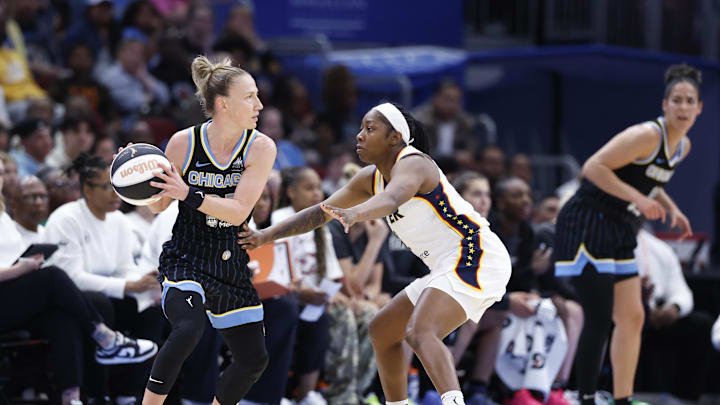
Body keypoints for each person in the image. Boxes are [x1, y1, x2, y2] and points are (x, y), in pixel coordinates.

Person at [239, 102, 512, 405]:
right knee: (382, 330)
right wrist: (265, 236)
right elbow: (319, 212)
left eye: (370, 129)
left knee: (421, 333)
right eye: (361, 128)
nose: (359, 136)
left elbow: (393, 198)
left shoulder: (415, 163)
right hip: (448, 263)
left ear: (395, 138)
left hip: (475, 253)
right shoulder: (370, 177)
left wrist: (356, 213)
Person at [553, 64, 701, 405]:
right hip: (588, 220)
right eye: (676, 100)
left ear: (698, 108)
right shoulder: (647, 135)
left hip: (620, 225)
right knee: (600, 317)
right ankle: (585, 398)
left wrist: (672, 207)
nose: (682, 107)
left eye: (689, 101)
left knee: (633, 317)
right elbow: (592, 168)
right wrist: (636, 198)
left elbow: (649, 181)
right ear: (664, 105)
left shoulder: (683, 146)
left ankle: (622, 399)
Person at [139, 55, 275, 405]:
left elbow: (238, 211)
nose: (259, 105)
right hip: (187, 254)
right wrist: (137, 178)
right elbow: (158, 206)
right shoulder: (183, 143)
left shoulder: (260, 147)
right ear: (223, 103)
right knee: (188, 329)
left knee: (253, 360)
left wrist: (188, 192)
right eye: (250, 97)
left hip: (230, 260)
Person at [0, 157, 158, 405]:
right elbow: (72, 277)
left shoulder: (4, 218)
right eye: (107, 186)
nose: (1, 180)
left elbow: (124, 268)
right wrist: (20, 269)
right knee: (60, 281)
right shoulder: (66, 218)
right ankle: (104, 343)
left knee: (63, 316)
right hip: (11, 292)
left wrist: (144, 285)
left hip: (18, 293)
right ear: (86, 189)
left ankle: (75, 396)